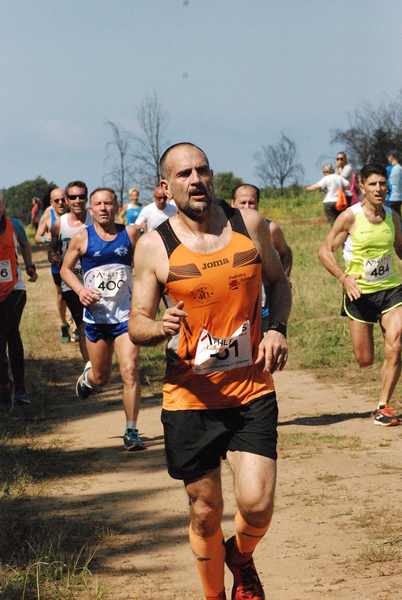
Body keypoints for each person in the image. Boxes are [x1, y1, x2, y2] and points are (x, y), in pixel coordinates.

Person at [129, 142, 291, 599]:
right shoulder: (153, 246)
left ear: (212, 176)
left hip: (251, 389)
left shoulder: (249, 225)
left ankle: (239, 556)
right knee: (204, 510)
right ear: (166, 186)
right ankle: (214, 594)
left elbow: (279, 284)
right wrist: (158, 325)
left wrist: (276, 328)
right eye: (183, 174)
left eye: (201, 171)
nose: (195, 180)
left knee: (256, 506)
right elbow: (136, 323)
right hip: (190, 399)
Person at [319, 163, 402, 427]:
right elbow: (324, 250)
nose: (379, 189)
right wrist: (343, 278)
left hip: (391, 290)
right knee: (364, 359)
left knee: (397, 342)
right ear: (362, 186)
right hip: (360, 294)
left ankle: (383, 406)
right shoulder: (350, 217)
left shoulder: (393, 216)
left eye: (382, 184)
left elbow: (400, 247)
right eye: (373, 184)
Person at [60, 187, 144, 450]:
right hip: (96, 319)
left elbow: (145, 267)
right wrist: (81, 290)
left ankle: (131, 431)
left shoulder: (130, 234)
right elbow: (65, 269)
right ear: (91, 209)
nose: (104, 208)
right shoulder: (81, 238)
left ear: (117, 206)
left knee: (129, 369)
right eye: (98, 204)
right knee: (101, 378)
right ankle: (88, 379)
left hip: (124, 317)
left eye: (108, 203)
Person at [231, 183, 292, 332]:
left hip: (264, 301)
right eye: (242, 203)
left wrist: (284, 279)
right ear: (232, 204)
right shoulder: (223, 230)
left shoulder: (270, 229)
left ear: (257, 204)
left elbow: (285, 252)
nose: (247, 206)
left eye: (251, 203)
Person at [0, 192, 38, 407]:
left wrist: (30, 266)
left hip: (14, 289)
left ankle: (20, 389)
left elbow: (24, 245)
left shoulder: (14, 225)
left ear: (4, 206)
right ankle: (5, 385)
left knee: (10, 334)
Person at [49, 181, 92, 361]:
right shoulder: (59, 224)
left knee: (98, 327)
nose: (77, 200)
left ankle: (100, 365)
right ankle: (90, 368)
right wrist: (57, 259)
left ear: (86, 198)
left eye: (81, 196)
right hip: (71, 283)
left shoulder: (95, 219)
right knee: (82, 326)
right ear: (67, 200)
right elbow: (52, 250)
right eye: (73, 197)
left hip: (96, 280)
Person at [35, 187, 70, 342]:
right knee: (61, 295)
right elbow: (37, 236)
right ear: (51, 202)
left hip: (77, 262)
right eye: (57, 200)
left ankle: (78, 325)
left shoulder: (75, 213)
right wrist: (47, 240)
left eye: (63, 199)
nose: (61, 203)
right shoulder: (49, 215)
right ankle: (64, 324)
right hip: (58, 263)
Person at [386, 150, 402, 217]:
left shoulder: (389, 169)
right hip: (400, 197)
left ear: (391, 157)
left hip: (390, 198)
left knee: (390, 217)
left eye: (388, 157)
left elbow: (387, 183)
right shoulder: (400, 168)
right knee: (398, 216)